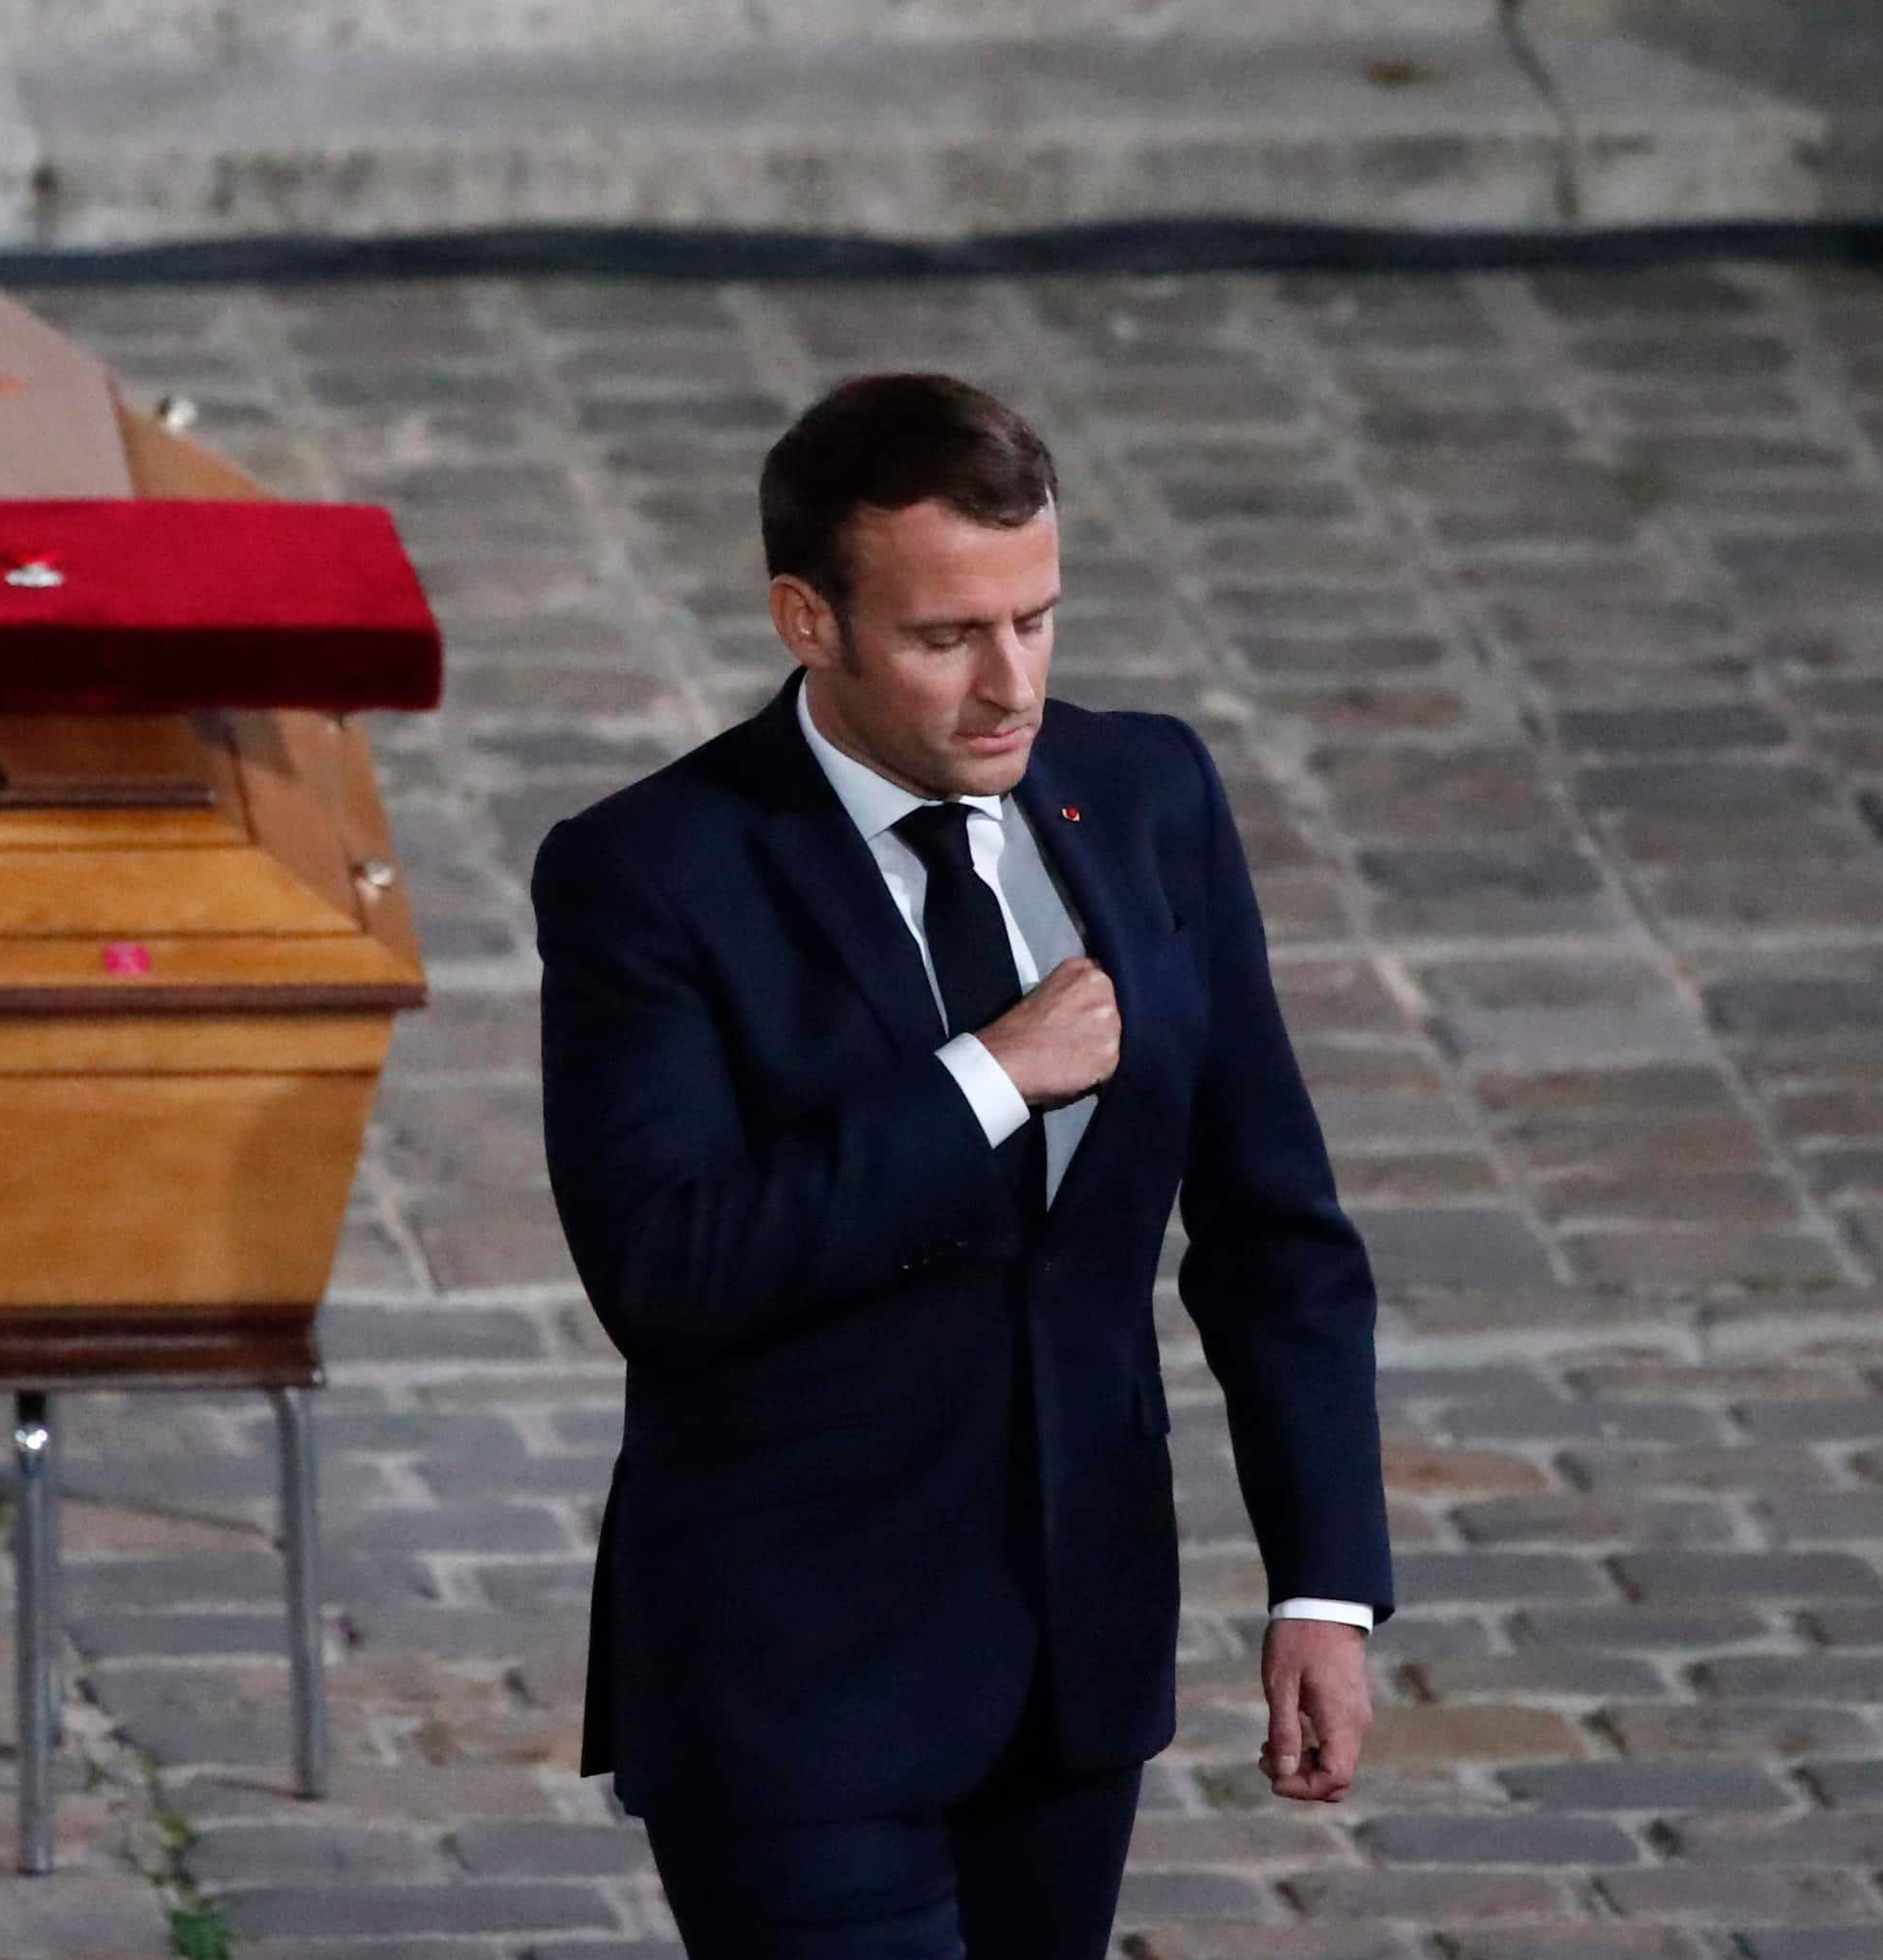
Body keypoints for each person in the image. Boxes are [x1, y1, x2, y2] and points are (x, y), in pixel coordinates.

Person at [531, 373, 1393, 1958]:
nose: (1011, 685)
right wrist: (988, 1077)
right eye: (947, 638)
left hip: (1074, 1666)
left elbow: (1275, 1232)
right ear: (810, 618)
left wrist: (1323, 1584)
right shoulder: (652, 871)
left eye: (1038, 619)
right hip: (796, 1679)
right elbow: (668, 1268)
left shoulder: (1146, 795)